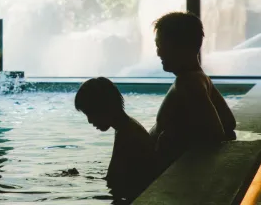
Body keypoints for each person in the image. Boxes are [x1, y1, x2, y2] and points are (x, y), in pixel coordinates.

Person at [149, 11, 237, 172]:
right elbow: (229, 122)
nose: (158, 52)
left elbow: (215, 135)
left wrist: (174, 143)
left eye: (161, 45)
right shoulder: (199, 78)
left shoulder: (189, 84)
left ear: (181, 47)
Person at [75, 77, 160, 203]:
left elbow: (113, 181)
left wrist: (80, 179)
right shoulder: (127, 127)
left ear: (103, 108)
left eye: (90, 113)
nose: (89, 121)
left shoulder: (128, 135)